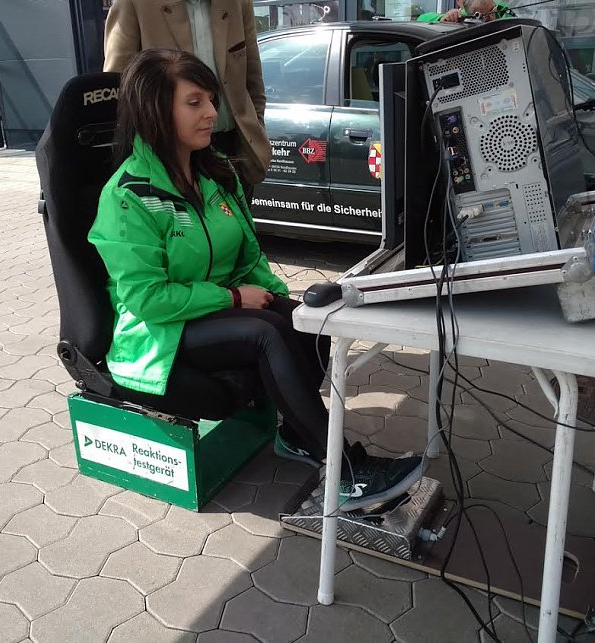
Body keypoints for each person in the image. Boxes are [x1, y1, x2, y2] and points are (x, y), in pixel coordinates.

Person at [89, 49, 423, 511]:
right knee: (265, 333)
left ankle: (299, 434)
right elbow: (148, 300)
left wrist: (282, 303)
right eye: (194, 102)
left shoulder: (213, 175)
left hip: (206, 310)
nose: (212, 112)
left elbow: (248, 257)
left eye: (211, 99)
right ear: (154, 110)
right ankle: (345, 472)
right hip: (155, 334)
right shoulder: (128, 198)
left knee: (307, 320)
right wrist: (232, 298)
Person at [102, 0, 270, 201]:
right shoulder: (135, 4)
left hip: (234, 148)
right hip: (170, 155)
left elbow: (253, 79)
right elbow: (118, 89)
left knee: (238, 220)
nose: (211, 111)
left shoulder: (237, 3)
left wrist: (257, 125)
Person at [417, 0, 512, 23]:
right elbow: (421, 19)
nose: (492, 17)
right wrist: (443, 18)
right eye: (485, 16)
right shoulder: (462, 17)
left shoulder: (504, 9)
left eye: (493, 10)